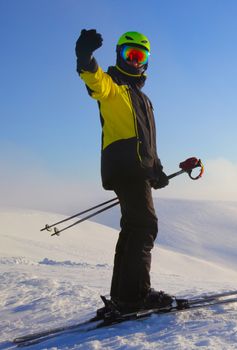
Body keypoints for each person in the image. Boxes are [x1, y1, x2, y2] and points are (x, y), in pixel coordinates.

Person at [75, 29, 173, 314]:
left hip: (135, 168)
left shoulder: (142, 98)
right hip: (124, 166)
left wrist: (157, 169)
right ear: (118, 55)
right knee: (144, 226)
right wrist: (85, 56)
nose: (133, 61)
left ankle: (123, 294)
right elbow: (95, 81)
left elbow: (145, 140)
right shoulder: (112, 85)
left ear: (145, 61)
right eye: (127, 54)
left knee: (133, 228)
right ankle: (135, 296)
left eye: (138, 56)